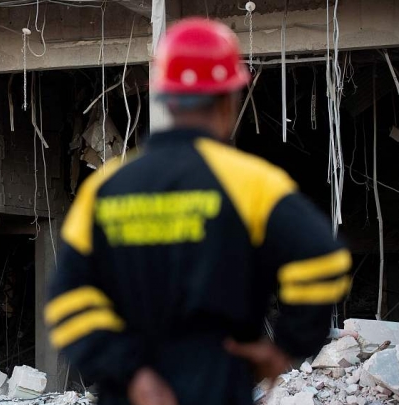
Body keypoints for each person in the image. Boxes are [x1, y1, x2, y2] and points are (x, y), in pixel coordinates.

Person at [44, 18, 352, 405]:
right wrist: (286, 347)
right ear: (229, 99)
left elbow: (66, 299)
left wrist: (129, 370)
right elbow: (324, 261)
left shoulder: (105, 189)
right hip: (217, 385)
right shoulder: (251, 183)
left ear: (164, 96)